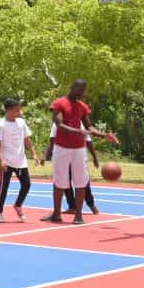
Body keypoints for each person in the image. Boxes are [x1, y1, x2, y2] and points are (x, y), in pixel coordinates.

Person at [44, 78, 117, 224]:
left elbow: (89, 127)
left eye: (83, 90)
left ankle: (78, 215)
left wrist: (104, 135)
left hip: (79, 149)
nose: (81, 93)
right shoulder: (59, 103)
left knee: (81, 181)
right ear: (72, 87)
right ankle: (56, 214)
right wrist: (78, 131)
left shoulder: (83, 106)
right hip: (62, 148)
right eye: (79, 89)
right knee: (59, 182)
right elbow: (59, 125)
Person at [0, 98, 38, 222]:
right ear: (9, 110)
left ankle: (18, 205)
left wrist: (34, 154)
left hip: (20, 161)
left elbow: (27, 139)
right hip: (6, 161)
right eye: (17, 110)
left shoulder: (21, 123)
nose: (19, 112)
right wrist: (2, 160)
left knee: (26, 184)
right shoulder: (1, 124)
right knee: (4, 187)